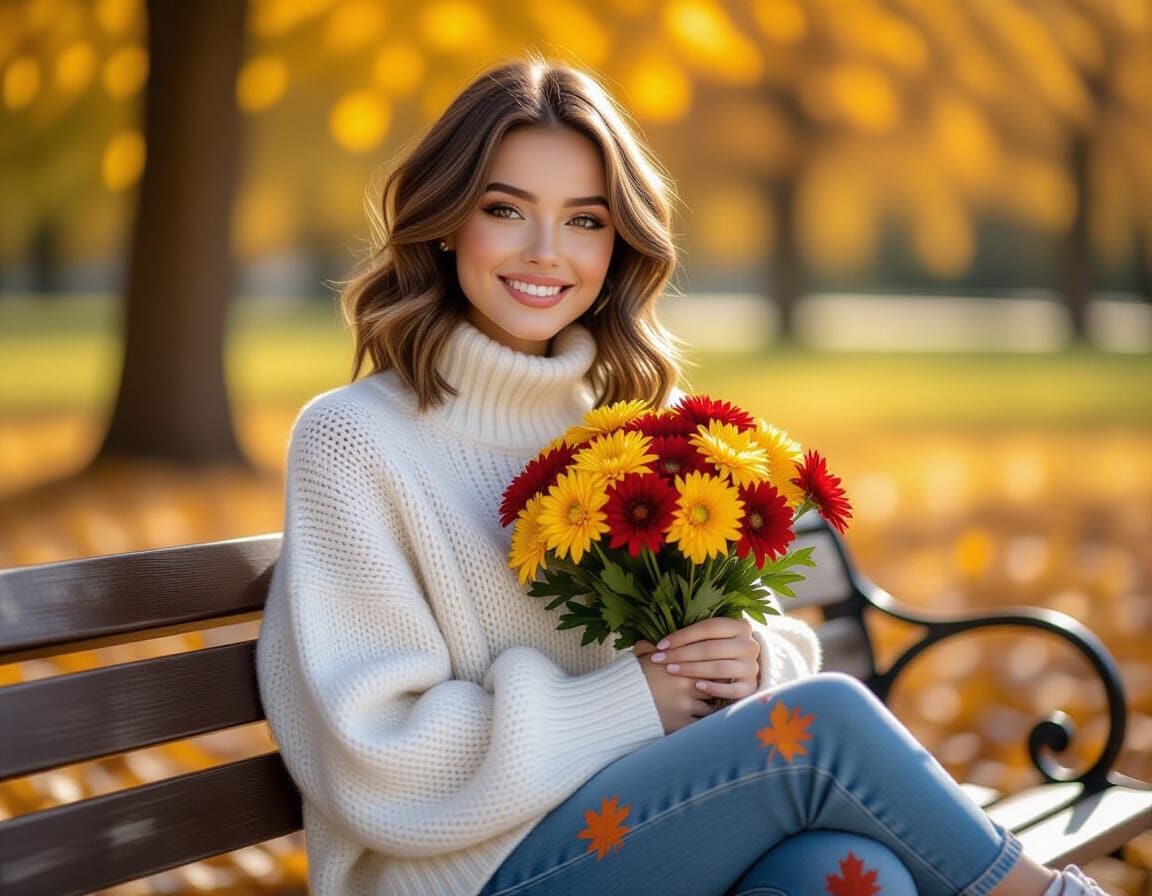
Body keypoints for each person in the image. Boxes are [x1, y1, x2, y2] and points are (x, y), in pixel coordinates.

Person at [255, 57, 1106, 896]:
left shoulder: (625, 421)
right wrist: (637, 701)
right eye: (506, 210)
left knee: (851, 877)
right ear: (446, 222)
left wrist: (750, 662)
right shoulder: (354, 440)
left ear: (619, 239)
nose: (546, 253)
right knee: (827, 723)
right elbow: (378, 750)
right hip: (465, 875)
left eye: (585, 221)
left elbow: (769, 643)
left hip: (646, 833)